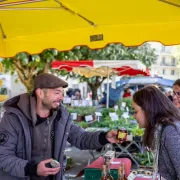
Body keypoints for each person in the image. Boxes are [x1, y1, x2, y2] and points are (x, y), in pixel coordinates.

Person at [0, 73, 120, 180]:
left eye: (62, 93)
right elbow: (3, 156)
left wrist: (105, 137)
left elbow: (80, 138)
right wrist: (33, 169)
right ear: (40, 93)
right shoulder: (13, 118)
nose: (62, 98)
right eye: (57, 93)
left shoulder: (61, 117)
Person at [132, 85, 180, 180]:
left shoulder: (170, 131)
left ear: (147, 110)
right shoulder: (161, 130)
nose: (134, 116)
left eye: (135, 111)